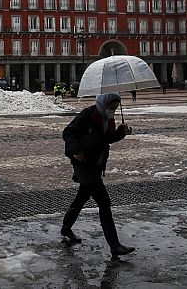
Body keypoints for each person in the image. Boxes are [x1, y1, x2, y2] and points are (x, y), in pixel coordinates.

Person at [61, 92, 136, 257]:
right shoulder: (88, 114)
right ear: (104, 104)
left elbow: (106, 139)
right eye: (111, 108)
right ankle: (114, 245)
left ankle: (66, 228)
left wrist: (121, 132)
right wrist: (77, 150)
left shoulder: (107, 119)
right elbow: (68, 133)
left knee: (81, 198)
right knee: (104, 202)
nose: (113, 111)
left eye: (115, 109)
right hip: (83, 163)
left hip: (95, 164)